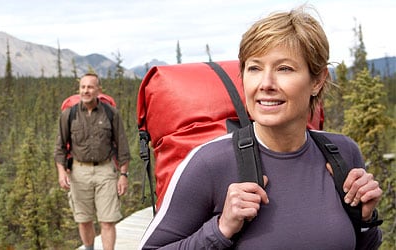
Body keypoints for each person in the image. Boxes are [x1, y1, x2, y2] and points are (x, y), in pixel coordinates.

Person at [140, 6, 383, 249]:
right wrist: (220, 230)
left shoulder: (342, 153)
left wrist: (365, 220)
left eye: (284, 68)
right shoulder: (209, 163)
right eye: (254, 68)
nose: (266, 84)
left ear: (317, 81)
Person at [54, 72, 131, 250]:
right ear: (79, 89)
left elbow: (123, 148)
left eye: (90, 87)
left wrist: (123, 175)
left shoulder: (111, 113)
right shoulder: (69, 114)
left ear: (98, 90)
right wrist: (61, 172)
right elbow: (59, 147)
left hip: (105, 170)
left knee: (108, 220)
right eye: (83, 87)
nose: (86, 91)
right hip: (78, 172)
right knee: (84, 220)